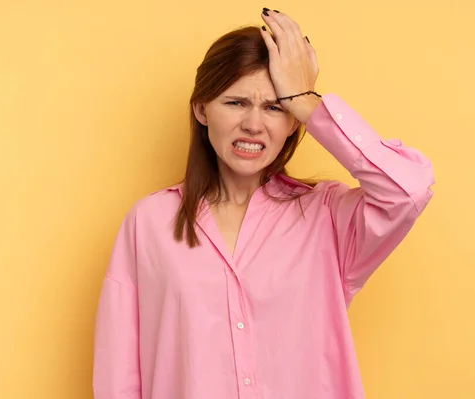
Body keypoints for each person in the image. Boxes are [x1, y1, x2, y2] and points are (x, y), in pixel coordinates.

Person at [92, 8, 435, 399]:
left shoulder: (328, 217)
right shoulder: (149, 223)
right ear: (202, 109)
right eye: (236, 102)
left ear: (292, 122)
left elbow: (408, 189)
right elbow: (119, 379)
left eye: (275, 107)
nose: (254, 124)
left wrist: (307, 101)